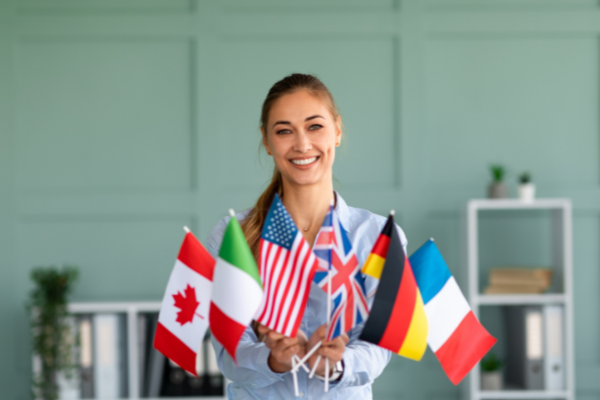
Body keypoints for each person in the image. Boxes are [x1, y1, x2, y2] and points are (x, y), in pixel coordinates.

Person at [206, 73, 408, 399]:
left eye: (315, 126)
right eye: (284, 131)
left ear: (337, 130)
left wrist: (337, 365)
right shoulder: (233, 237)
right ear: (267, 142)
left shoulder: (376, 236)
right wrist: (273, 360)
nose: (302, 144)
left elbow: (379, 346)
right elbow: (228, 353)